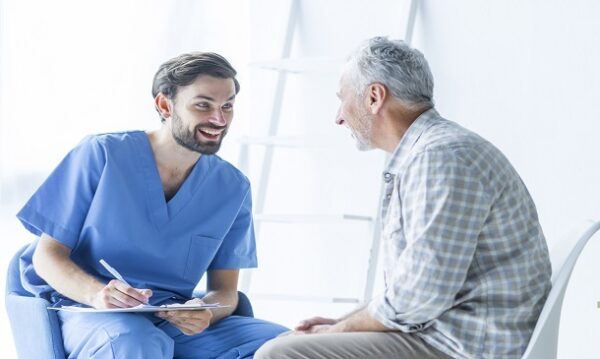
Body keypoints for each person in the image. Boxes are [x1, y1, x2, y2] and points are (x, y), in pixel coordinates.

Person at [255, 37, 552, 359]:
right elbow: (412, 287)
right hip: (446, 334)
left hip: (462, 347)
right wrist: (343, 322)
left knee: (279, 354)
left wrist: (338, 330)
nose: (338, 117)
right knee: (289, 343)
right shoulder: (434, 153)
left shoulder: (441, 159)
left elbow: (420, 298)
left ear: (374, 97)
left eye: (342, 100)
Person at [16, 52, 287, 358]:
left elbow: (224, 290)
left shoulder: (232, 187)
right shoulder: (102, 155)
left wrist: (206, 311)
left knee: (286, 345)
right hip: (91, 311)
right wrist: (97, 294)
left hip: (171, 318)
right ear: (164, 105)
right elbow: (47, 256)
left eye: (227, 106)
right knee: (136, 344)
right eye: (203, 105)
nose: (219, 119)